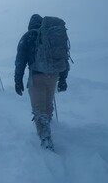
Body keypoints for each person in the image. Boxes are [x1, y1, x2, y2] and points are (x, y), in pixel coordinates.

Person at [14, 14, 70, 151]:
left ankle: (45, 137)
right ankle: (48, 123)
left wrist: (18, 80)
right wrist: (63, 78)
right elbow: (64, 57)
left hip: (37, 76)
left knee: (38, 109)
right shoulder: (51, 37)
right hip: (54, 75)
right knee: (47, 102)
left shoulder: (27, 37)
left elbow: (20, 61)